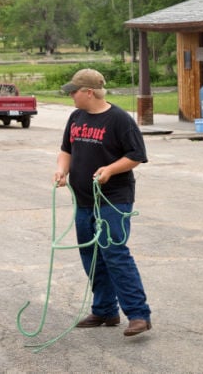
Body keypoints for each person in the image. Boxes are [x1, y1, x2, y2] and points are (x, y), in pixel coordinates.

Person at [53, 68, 152, 337]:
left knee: (115, 253)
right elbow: (66, 150)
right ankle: (106, 310)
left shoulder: (120, 120)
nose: (70, 95)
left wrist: (110, 169)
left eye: (73, 91)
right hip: (84, 201)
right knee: (91, 254)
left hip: (113, 200)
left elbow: (137, 155)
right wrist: (63, 170)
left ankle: (138, 315)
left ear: (88, 92)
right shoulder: (76, 117)